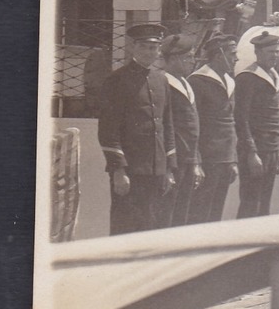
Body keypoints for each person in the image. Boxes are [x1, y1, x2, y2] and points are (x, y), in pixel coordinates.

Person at [97, 22, 176, 234]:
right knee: (125, 227)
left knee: (151, 227)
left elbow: (167, 125)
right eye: (145, 47)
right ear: (133, 47)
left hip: (156, 171)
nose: (151, 52)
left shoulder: (161, 80)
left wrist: (169, 168)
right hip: (131, 171)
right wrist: (118, 170)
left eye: (155, 47)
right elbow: (108, 129)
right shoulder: (117, 80)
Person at [187, 32, 238, 224]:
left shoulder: (230, 81)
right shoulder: (197, 81)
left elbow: (230, 123)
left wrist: (232, 159)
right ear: (219, 56)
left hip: (225, 159)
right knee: (199, 212)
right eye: (232, 54)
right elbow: (194, 124)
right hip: (207, 159)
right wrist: (196, 161)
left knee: (216, 213)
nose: (236, 59)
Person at [235, 30, 279, 218]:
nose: (275, 56)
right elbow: (241, 118)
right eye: (271, 52)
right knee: (250, 202)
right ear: (258, 53)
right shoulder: (247, 77)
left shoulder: (274, 76)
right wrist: (251, 153)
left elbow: (276, 115)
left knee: (264, 204)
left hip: (271, 149)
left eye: (277, 52)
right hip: (255, 151)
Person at [157, 34, 203, 227]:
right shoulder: (162, 83)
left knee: (182, 216)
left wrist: (196, 162)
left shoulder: (186, 83)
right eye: (188, 58)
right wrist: (167, 168)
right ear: (173, 58)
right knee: (166, 215)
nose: (192, 62)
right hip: (173, 162)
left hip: (188, 160)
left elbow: (193, 130)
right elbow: (163, 129)